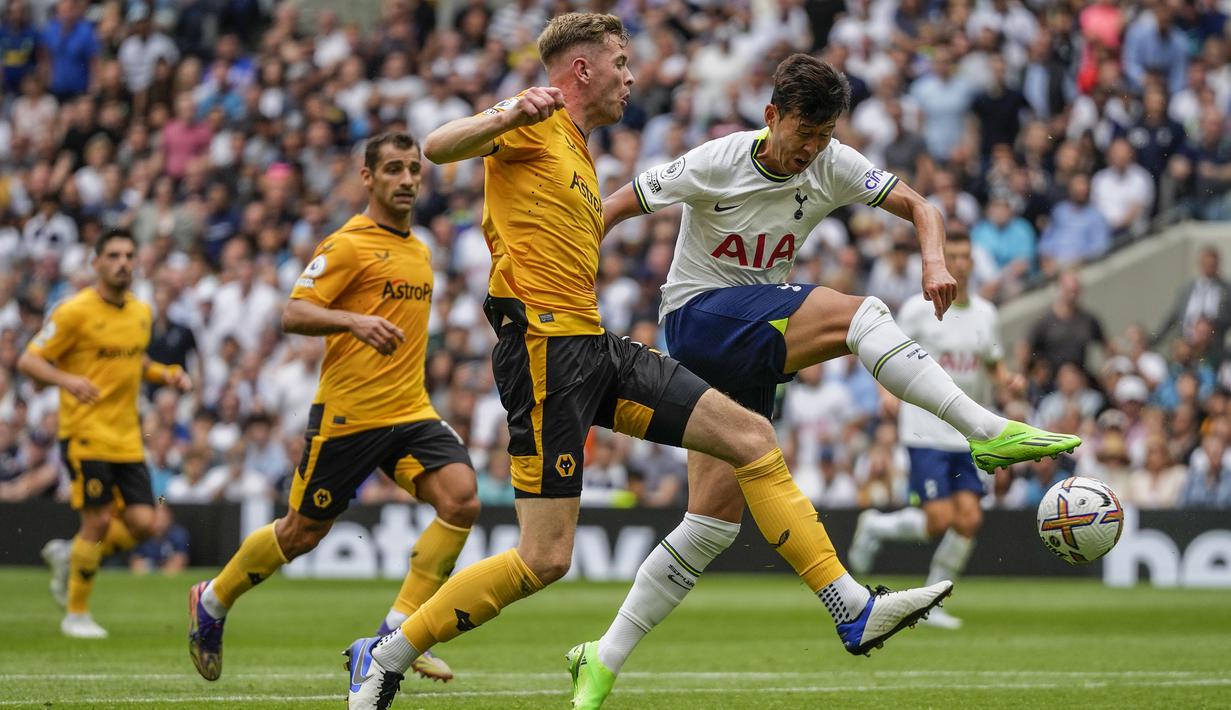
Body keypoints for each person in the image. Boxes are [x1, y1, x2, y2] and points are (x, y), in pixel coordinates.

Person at [344, 16, 952, 710]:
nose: (631, 76)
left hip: (591, 345)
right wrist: (509, 111)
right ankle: (384, 654)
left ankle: (850, 608)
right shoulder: (532, 123)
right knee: (545, 558)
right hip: (541, 351)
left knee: (751, 437)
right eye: (621, 62)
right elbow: (438, 145)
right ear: (581, 69)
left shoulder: (578, 146)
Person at [577, 53, 1082, 707]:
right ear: (771, 116)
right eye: (802, 134)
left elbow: (921, 206)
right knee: (861, 314)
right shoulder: (716, 160)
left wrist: (934, 261)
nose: (810, 150)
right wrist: (563, 279)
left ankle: (601, 658)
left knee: (711, 524)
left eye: (823, 136)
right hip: (697, 319)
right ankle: (982, 431)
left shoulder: (833, 162)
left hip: (748, 341)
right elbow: (613, 207)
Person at [186, 132, 480, 685]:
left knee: (461, 499)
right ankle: (213, 599)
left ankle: (397, 632)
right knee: (300, 533)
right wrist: (353, 320)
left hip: (409, 410)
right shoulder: (347, 245)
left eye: (413, 169)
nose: (407, 180)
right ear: (367, 177)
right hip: (349, 416)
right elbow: (294, 313)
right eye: (393, 169)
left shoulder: (420, 249)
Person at [18, 228, 192, 638]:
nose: (122, 263)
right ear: (95, 262)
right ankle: (76, 614)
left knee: (145, 523)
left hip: (127, 437)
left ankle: (72, 553)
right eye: (113, 255)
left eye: (129, 255)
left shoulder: (141, 312)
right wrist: (67, 380)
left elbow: (136, 361)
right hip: (85, 433)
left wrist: (166, 374)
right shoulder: (73, 311)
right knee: (96, 521)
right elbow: (29, 361)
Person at [847, 232, 1022, 629]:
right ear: (941, 262)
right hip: (924, 429)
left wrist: (1008, 381)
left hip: (968, 432)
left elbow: (993, 363)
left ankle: (933, 603)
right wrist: (884, 392)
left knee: (970, 520)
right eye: (952, 256)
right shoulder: (917, 310)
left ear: (973, 263)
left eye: (965, 256)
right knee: (939, 520)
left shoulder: (987, 314)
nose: (959, 263)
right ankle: (874, 525)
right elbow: (882, 351)